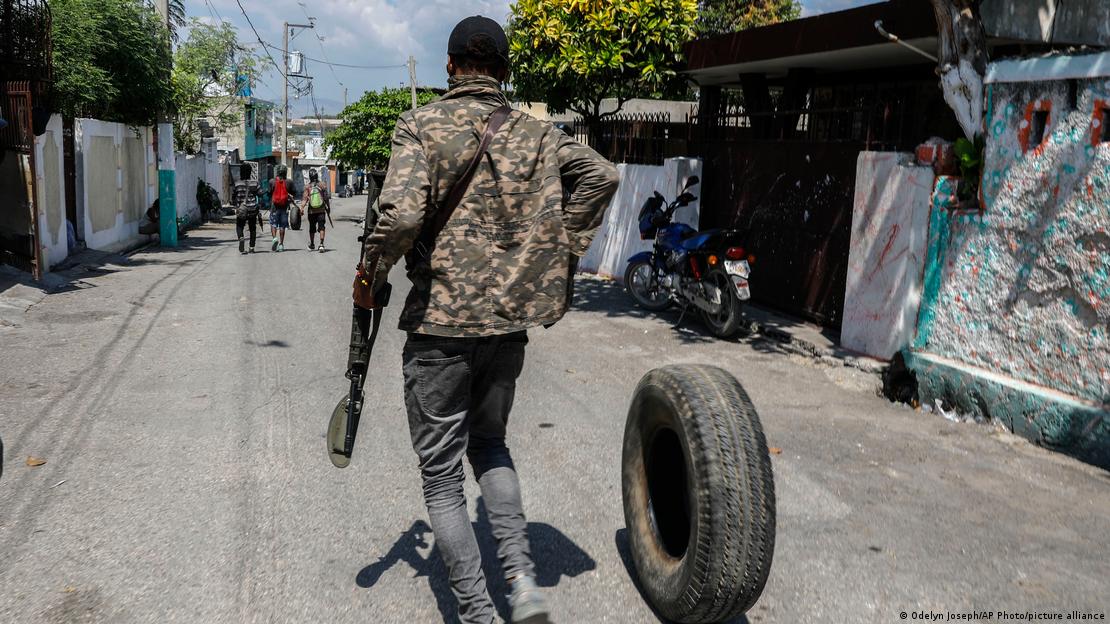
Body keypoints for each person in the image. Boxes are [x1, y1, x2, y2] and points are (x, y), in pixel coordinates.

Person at [356, 15, 619, 624]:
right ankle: (523, 585)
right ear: (504, 71)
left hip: (439, 330)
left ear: (450, 68)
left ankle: (477, 611)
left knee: (443, 477)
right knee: (492, 446)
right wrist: (560, 249)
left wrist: (371, 274)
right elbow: (601, 177)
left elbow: (398, 219)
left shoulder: (420, 124)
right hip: (506, 328)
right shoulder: (540, 133)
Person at [233, 163, 262, 254]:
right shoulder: (254, 183)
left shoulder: (237, 183)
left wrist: (236, 205)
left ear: (241, 172)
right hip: (252, 208)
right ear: (250, 172)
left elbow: (234, 196)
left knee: (239, 226)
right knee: (252, 228)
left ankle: (241, 237)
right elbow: (260, 193)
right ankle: (251, 247)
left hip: (242, 208)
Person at [303, 169, 330, 252]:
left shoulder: (307, 187)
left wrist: (301, 208)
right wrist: (328, 208)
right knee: (322, 227)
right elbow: (326, 198)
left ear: (310, 177)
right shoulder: (322, 185)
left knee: (312, 228)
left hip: (311, 211)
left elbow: (304, 199)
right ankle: (321, 245)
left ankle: (312, 244)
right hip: (321, 210)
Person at [269, 165, 291, 252]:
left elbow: (269, 192)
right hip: (284, 207)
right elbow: (294, 192)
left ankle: (274, 238)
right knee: (282, 226)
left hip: (274, 207)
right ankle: (281, 244)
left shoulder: (272, 181)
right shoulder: (288, 182)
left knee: (273, 224)